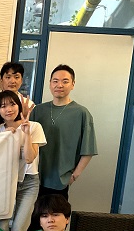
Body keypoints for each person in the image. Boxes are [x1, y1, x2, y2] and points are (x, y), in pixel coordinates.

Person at [30, 64, 97, 201]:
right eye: (55, 81)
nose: (59, 85)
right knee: (32, 214)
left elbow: (88, 149)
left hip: (60, 181)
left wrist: (75, 175)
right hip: (34, 177)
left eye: (65, 81)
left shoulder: (81, 113)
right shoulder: (38, 110)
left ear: (73, 84)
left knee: (55, 214)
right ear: (50, 83)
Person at [0, 90, 46, 231]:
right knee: (1, 228)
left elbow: (29, 158)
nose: (8, 109)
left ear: (19, 106)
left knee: (18, 230)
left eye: (12, 104)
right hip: (6, 183)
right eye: (3, 106)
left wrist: (26, 132)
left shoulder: (35, 126)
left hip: (29, 183)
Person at [0, 62, 34, 129]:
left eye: (16, 77)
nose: (12, 81)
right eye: (8, 77)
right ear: (1, 80)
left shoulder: (29, 104)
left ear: (21, 80)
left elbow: (33, 129)